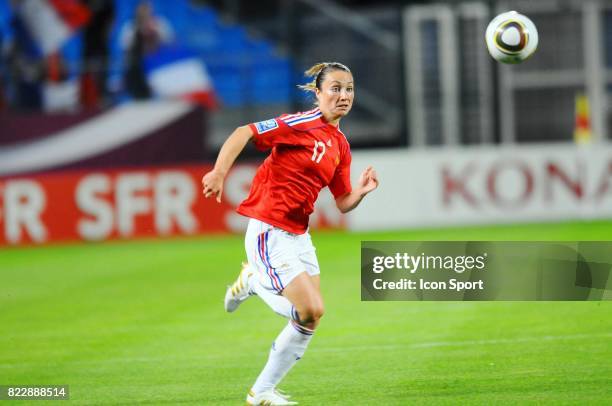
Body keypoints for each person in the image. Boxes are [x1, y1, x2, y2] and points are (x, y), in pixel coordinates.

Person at [202, 62, 379, 405]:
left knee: (309, 317)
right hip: (270, 228)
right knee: (310, 309)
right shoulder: (301, 123)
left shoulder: (340, 144)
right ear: (318, 93)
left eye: (350, 89)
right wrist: (219, 172)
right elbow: (244, 131)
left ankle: (261, 390)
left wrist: (361, 192)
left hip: (298, 234)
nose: (344, 95)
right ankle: (261, 388)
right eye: (336, 88)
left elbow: (342, 201)